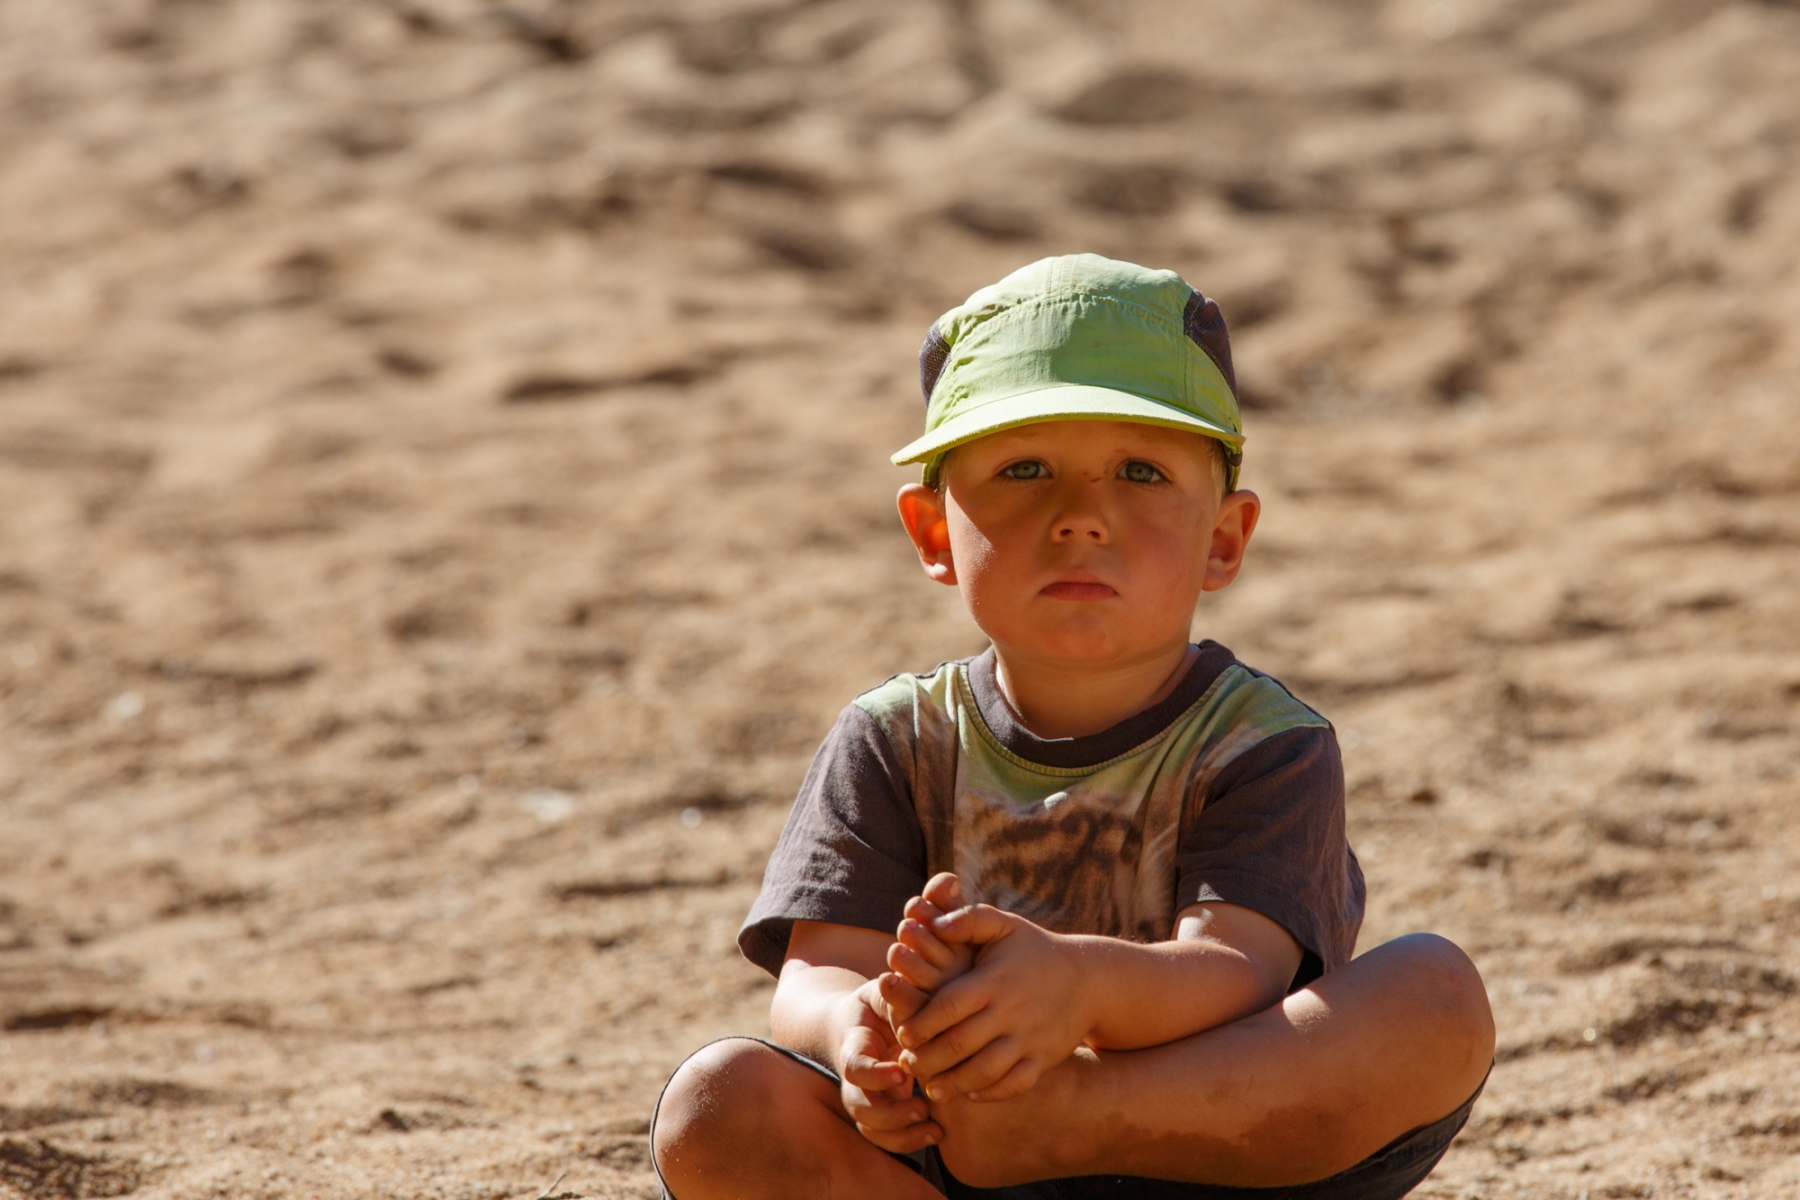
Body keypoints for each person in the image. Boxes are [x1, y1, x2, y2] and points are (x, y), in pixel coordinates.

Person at [649, 254, 1495, 1199]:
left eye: (1140, 471)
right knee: (716, 1101)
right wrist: (858, 1033)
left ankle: (1064, 1124)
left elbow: (1236, 967)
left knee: (1435, 995)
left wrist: (1077, 992)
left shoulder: (1262, 741)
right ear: (934, 533)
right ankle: (1020, 1134)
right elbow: (816, 974)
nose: (1083, 517)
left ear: (1223, 539)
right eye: (1024, 469)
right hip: (950, 1135)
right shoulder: (891, 738)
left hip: (1215, 1142)